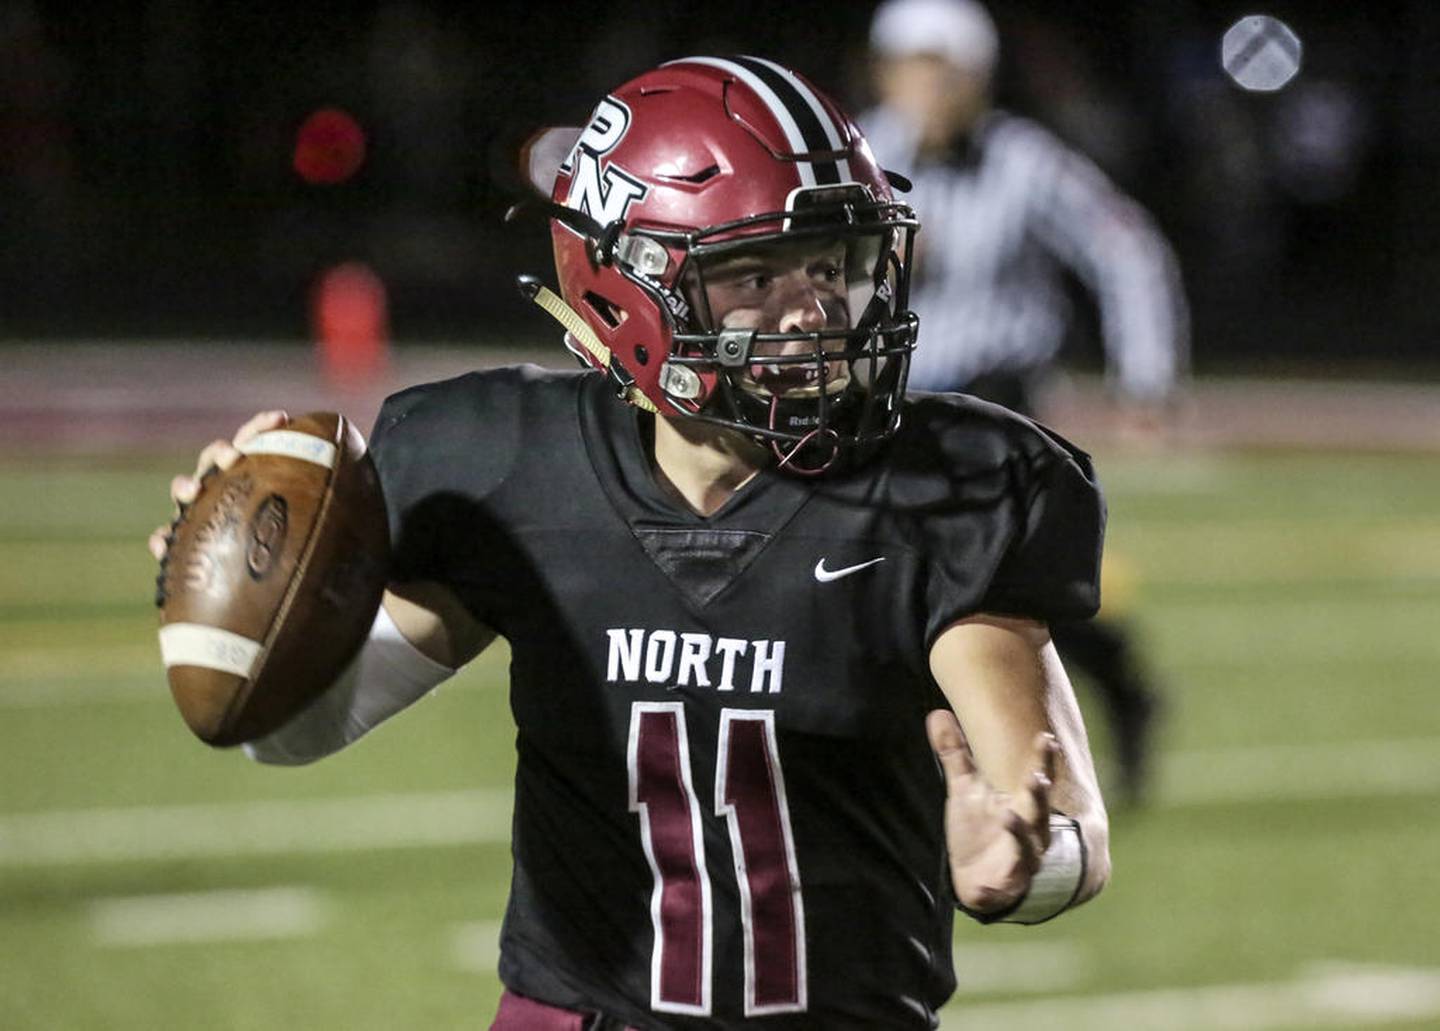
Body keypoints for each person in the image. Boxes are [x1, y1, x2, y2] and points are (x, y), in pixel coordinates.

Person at [151, 56, 1110, 1030]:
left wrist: (1026, 862)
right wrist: (245, 607)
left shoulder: (938, 492)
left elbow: (1070, 820)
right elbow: (292, 727)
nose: (816, 305)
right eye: (754, 271)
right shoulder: (519, 468)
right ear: (628, 291)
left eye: (831, 259)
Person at [863, 0, 1185, 803]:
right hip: (888, 408)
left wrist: (1144, 376)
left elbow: (1125, 248)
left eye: (947, 69)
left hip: (996, 412)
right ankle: (1111, 694)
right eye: (914, 67)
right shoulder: (857, 157)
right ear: (885, 72)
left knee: (988, 591)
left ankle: (1072, 717)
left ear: (979, 77)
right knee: (910, 587)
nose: (930, 87)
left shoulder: (1025, 160)